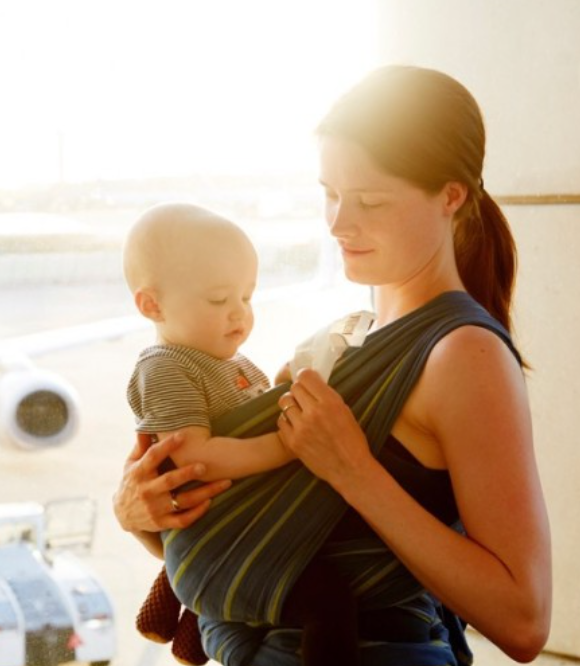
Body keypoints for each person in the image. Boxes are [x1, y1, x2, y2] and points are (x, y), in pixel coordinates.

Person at [113, 64, 552, 666]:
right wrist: (141, 510)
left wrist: (352, 468)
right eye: (330, 193)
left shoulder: (463, 355)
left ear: (451, 195)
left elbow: (523, 620)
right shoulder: (352, 337)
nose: (339, 223)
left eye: (370, 200)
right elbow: (274, 550)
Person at [123, 202, 359, 665]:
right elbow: (199, 458)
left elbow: (246, 418)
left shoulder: (229, 362)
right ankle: (190, 611)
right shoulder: (167, 367)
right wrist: (287, 444)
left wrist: (285, 382)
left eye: (247, 297)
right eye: (218, 300)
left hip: (236, 524)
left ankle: (188, 624)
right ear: (152, 305)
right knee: (329, 599)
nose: (239, 314)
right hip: (221, 538)